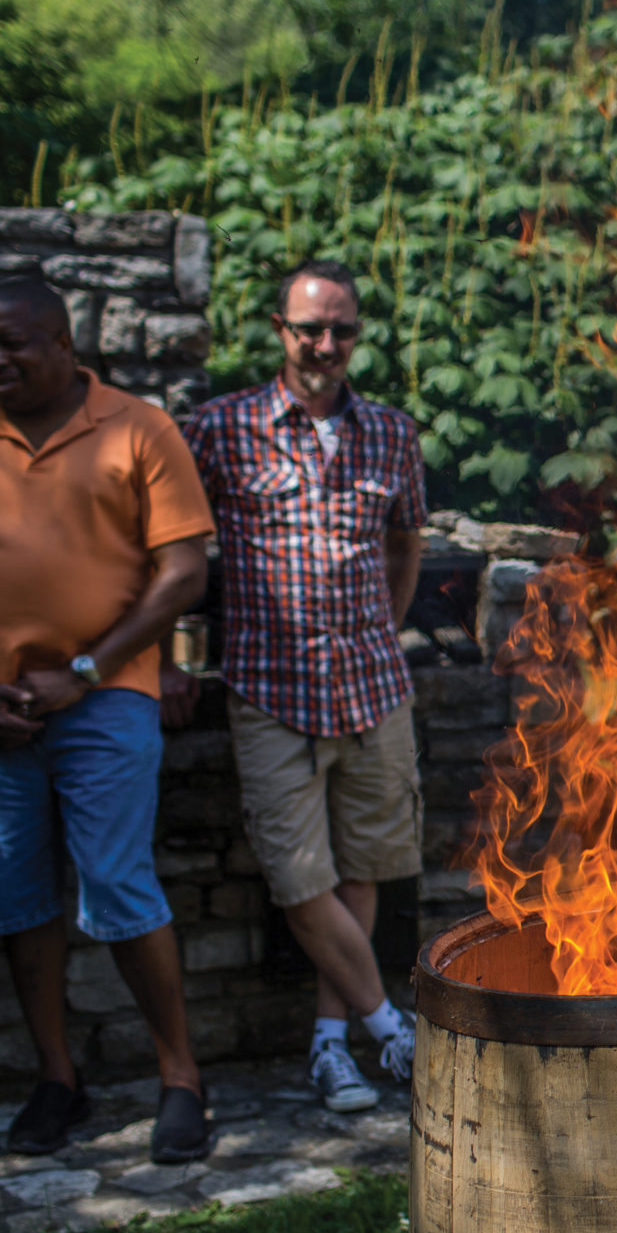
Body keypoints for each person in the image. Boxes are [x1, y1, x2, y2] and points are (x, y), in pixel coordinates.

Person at [0, 278, 215, 1164]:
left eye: (15, 345)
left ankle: (181, 1076)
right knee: (15, 894)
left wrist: (85, 671)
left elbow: (182, 571)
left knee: (118, 882)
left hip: (104, 697)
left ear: (66, 345)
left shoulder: (139, 427)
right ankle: (56, 1077)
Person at [183, 259, 428, 1115]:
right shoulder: (220, 427)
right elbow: (178, 554)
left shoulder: (392, 433)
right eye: (309, 328)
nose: (326, 344)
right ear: (280, 331)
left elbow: (407, 545)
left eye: (342, 330)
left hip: (370, 682)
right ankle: (390, 1027)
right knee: (298, 876)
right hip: (269, 686)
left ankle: (331, 1047)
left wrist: (382, 627)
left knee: (362, 868)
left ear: (357, 335)